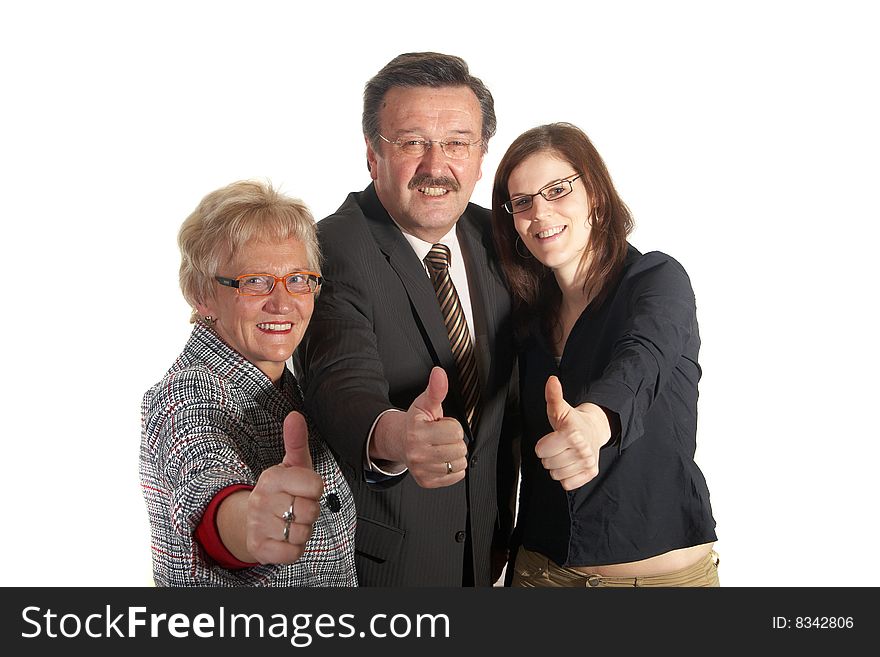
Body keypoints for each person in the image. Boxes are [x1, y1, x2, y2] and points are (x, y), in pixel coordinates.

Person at [297, 52, 519, 587]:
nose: (436, 166)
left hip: (493, 556)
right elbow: (340, 383)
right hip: (391, 568)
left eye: (458, 143)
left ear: (482, 155)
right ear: (373, 155)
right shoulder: (331, 249)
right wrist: (398, 437)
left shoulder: (502, 239)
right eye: (412, 141)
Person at [490, 123, 719, 587]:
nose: (540, 212)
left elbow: (643, 359)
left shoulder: (657, 280)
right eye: (523, 202)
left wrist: (595, 422)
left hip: (657, 584)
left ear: (594, 192)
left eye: (557, 190)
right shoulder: (526, 318)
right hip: (540, 575)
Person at [140, 180, 357, 586]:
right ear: (201, 294)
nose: (283, 302)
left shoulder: (283, 382)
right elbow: (207, 482)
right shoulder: (185, 394)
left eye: (298, 279)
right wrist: (249, 524)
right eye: (255, 281)